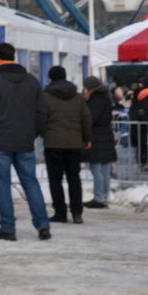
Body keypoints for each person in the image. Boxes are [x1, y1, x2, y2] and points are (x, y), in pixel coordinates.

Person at [0, 42, 51, 241]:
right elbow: (42, 110)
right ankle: (43, 225)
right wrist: (32, 131)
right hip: (25, 141)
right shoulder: (31, 81)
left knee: (2, 185)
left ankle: (8, 229)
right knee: (31, 183)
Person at [42, 66, 92, 223]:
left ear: (50, 79)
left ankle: (60, 213)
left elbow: (41, 119)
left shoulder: (45, 97)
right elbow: (86, 119)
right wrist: (86, 138)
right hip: (74, 144)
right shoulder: (78, 97)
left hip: (53, 144)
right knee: (74, 178)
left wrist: (46, 134)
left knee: (55, 179)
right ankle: (77, 213)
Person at [83, 75, 116, 208]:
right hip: (105, 136)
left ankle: (99, 197)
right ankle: (104, 195)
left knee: (96, 168)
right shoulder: (105, 96)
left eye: (85, 88)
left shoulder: (95, 99)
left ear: (90, 88)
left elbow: (91, 118)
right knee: (104, 168)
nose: (84, 90)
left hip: (97, 137)